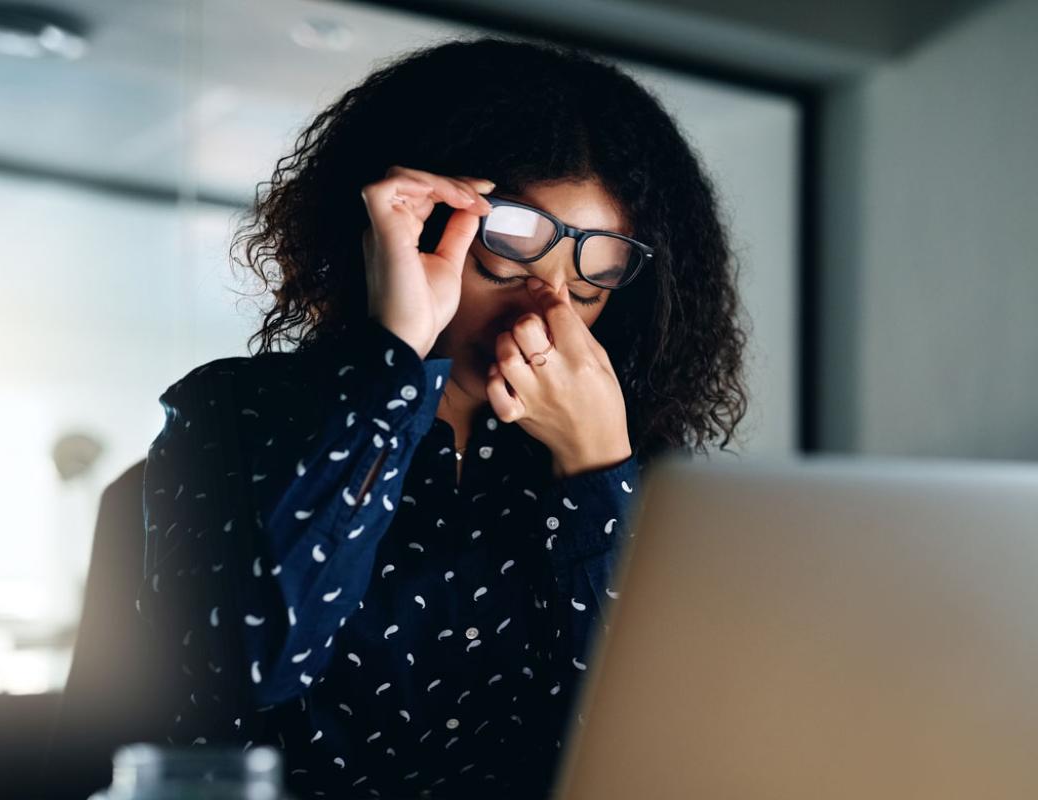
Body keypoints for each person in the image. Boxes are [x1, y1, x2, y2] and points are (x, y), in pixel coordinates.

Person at [138, 36, 747, 800]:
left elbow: (662, 747)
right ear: (427, 226)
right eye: (509, 251)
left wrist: (598, 468)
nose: (549, 306)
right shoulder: (237, 410)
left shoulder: (642, 470)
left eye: (594, 277)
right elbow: (247, 675)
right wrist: (394, 362)